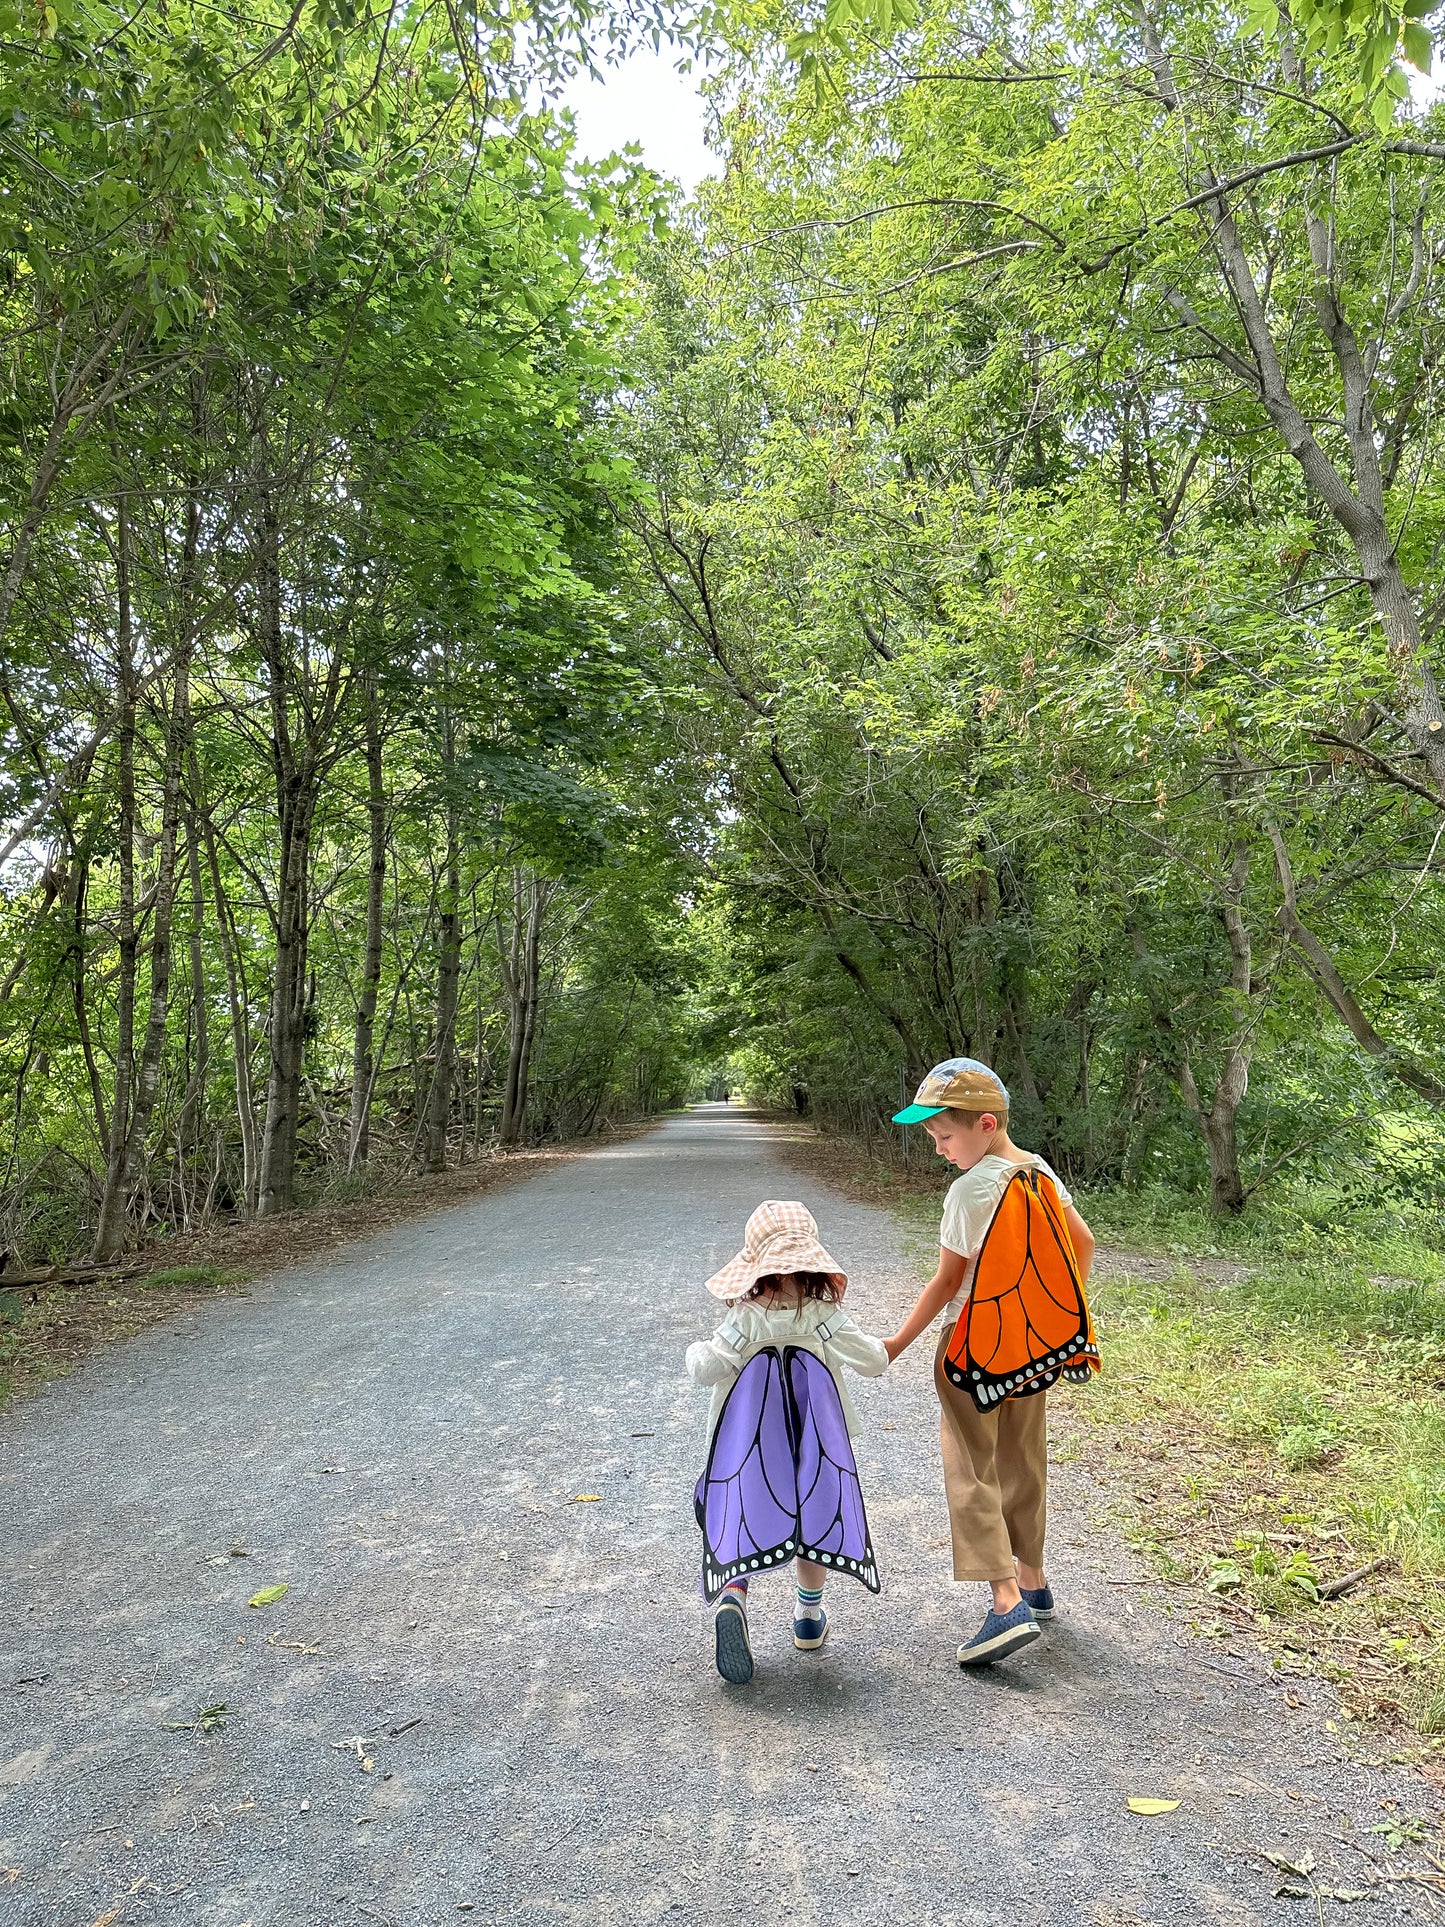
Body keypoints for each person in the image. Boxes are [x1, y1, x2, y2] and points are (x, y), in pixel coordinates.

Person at [885, 1057, 1098, 1668]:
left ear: (984, 1123)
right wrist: (1048, 1315)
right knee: (1024, 1460)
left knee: (971, 1469)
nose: (939, 1150)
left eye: (944, 1137)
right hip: (1032, 1351)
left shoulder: (969, 1191)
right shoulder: (1037, 1171)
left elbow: (948, 1280)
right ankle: (1034, 1581)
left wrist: (898, 1343)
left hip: (972, 1353)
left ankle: (1006, 1604)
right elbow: (1081, 1244)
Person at [687, 1199, 889, 1685]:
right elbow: (875, 1361)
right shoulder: (823, 1316)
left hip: (753, 1451)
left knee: (741, 1516)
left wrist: (695, 1350)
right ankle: (808, 1617)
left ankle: (733, 1594)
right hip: (812, 1445)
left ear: (755, 1267)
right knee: (811, 1519)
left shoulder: (745, 1319)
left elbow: (705, 1369)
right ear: (813, 1264)